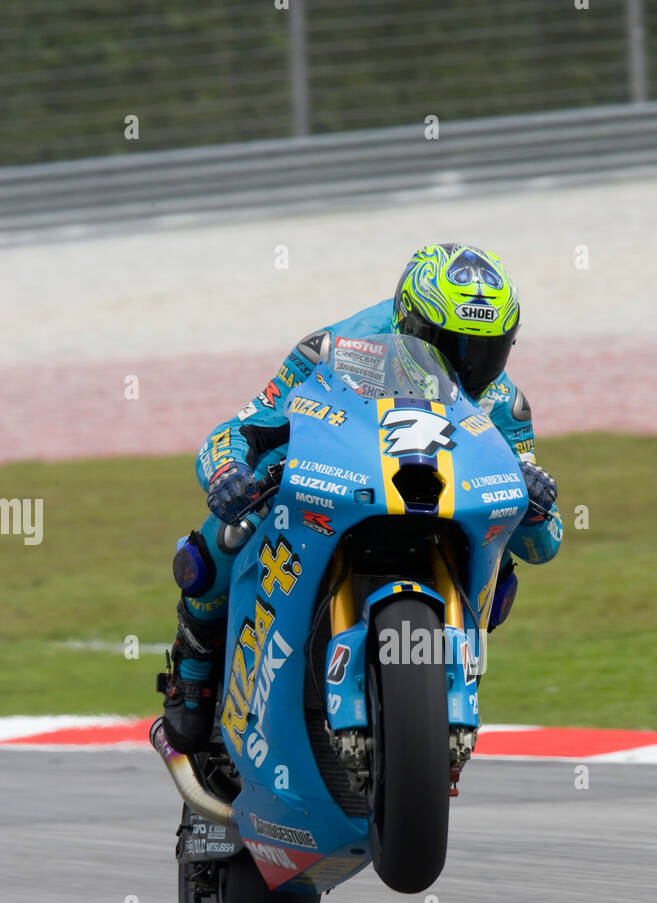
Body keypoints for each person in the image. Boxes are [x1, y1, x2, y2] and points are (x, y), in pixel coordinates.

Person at [160, 243, 563, 753]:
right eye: (452, 346)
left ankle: (447, 678)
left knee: (503, 569)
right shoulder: (330, 347)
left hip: (435, 506)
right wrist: (227, 470)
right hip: (345, 478)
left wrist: (535, 504)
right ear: (410, 323)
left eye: (488, 350)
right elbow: (242, 428)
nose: (470, 367)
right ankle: (192, 664)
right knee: (229, 529)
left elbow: (545, 544)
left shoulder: (504, 401)